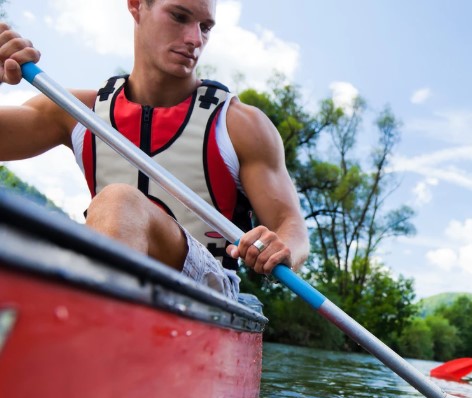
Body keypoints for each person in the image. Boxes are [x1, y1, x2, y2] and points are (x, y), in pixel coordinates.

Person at [0, 0, 309, 301]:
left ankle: (94, 320)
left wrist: (281, 248)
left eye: (205, 27)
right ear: (136, 6)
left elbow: (291, 226)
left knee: (119, 201)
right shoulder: (77, 111)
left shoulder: (240, 124)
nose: (195, 39)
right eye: (179, 16)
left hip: (209, 290)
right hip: (106, 268)